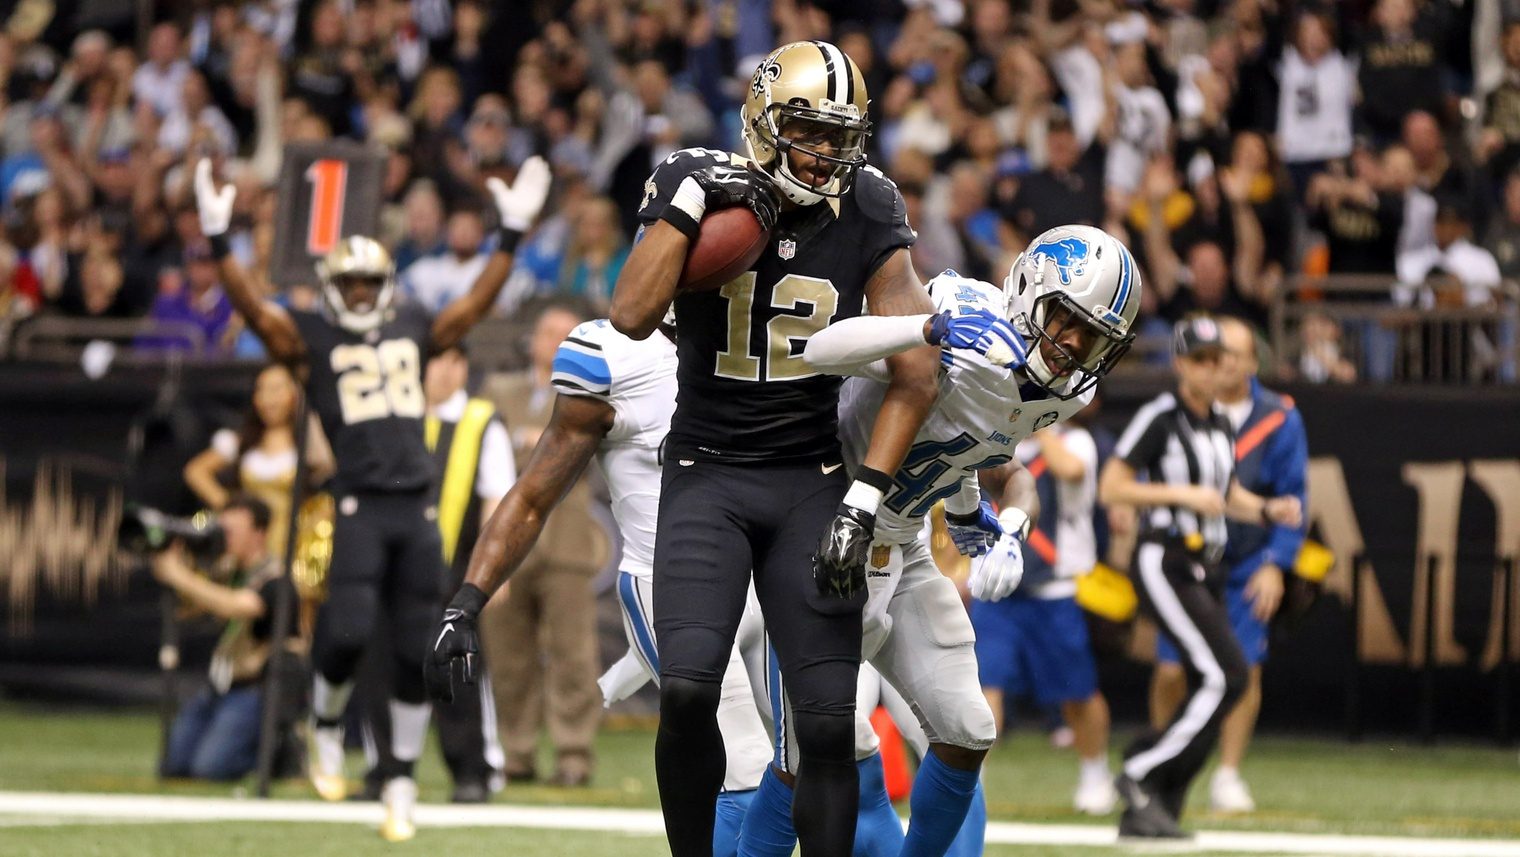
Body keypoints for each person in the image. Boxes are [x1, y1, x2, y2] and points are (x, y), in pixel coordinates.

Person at [606, 41, 947, 856]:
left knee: (827, 726)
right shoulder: (695, 174)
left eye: (840, 134)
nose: (825, 151)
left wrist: (864, 499)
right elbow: (629, 311)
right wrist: (688, 205)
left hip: (810, 478)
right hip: (705, 471)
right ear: (763, 118)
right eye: (808, 129)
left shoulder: (867, 202)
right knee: (687, 688)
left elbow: (917, 365)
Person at [191, 155, 550, 841]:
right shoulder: (313, 338)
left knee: (422, 649)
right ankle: (326, 722)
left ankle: (403, 775)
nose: (359, 293)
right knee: (350, 629)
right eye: (349, 282)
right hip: (357, 501)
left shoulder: (413, 323)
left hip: (413, 507)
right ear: (332, 285)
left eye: (368, 282)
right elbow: (255, 311)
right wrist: (216, 242)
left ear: (385, 283)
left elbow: (473, 305)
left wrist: (510, 232)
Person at [751, 226, 1139, 856]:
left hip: (904, 546)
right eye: (1068, 319)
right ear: (1031, 290)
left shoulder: (1062, 394)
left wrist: (992, 523)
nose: (1075, 346)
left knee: (967, 729)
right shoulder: (968, 319)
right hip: (829, 534)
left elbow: (986, 447)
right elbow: (820, 348)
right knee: (809, 754)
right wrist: (925, 329)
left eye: (1094, 337)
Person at [425, 316, 776, 857]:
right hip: (673, 587)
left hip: (764, 580)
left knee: (838, 751)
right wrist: (468, 601)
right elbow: (532, 496)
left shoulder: (768, 330)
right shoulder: (619, 359)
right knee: (745, 758)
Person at [1098, 315, 1303, 839]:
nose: (1214, 371)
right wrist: (1179, 495)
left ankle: (1157, 806)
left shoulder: (1218, 423)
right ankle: (1142, 769)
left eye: (1221, 360)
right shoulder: (1161, 416)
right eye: (1203, 361)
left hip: (1205, 566)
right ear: (1181, 364)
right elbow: (1113, 487)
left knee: (1223, 682)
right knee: (1225, 675)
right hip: (1164, 558)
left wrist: (1267, 512)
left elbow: (1227, 494)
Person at [1150, 316, 1307, 813]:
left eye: (1232, 354)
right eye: (1214, 354)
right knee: (1172, 669)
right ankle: (1163, 761)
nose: (1222, 363)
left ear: (1252, 362)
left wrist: (1276, 563)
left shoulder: (1279, 416)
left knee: (1244, 668)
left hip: (1245, 559)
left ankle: (1228, 773)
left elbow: (1291, 494)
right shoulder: (1186, 409)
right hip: (1188, 554)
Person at [361, 344, 514, 803]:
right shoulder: (393, 415)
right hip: (394, 568)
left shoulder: (481, 420)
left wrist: (494, 573)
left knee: (457, 668)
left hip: (453, 569)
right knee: (381, 667)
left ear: (457, 365)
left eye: (432, 361)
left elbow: (498, 499)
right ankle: (384, 768)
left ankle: (473, 769)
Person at [476, 303, 607, 788]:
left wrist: (528, 443)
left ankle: (574, 754)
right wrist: (538, 443)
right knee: (509, 655)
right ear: (531, 340)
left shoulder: (588, 389)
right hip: (507, 544)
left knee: (574, 654)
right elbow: (482, 450)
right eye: (547, 331)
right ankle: (518, 752)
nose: (552, 340)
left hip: (567, 545)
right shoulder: (497, 390)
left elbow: (582, 449)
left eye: (563, 333)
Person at [971, 420, 1118, 816]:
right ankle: (970, 786)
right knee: (983, 691)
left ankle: (1095, 772)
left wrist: (1041, 427)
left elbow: (1071, 469)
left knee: (1077, 694)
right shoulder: (996, 438)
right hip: (998, 590)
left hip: (1054, 588)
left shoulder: (1076, 439)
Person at [155, 495, 295, 781]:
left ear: (259, 533)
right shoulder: (228, 572)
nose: (224, 538)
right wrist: (179, 561)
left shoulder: (276, 578)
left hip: (256, 689)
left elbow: (237, 605)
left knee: (211, 770)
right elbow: (189, 610)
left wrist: (179, 576)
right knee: (174, 767)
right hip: (220, 684)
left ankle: (282, 750)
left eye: (231, 531)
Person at [182, 362, 333, 562]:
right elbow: (195, 471)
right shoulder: (243, 443)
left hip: (295, 546)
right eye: (261, 390)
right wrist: (230, 507)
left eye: (276, 389)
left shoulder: (309, 443)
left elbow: (329, 469)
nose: (268, 399)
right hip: (249, 545)